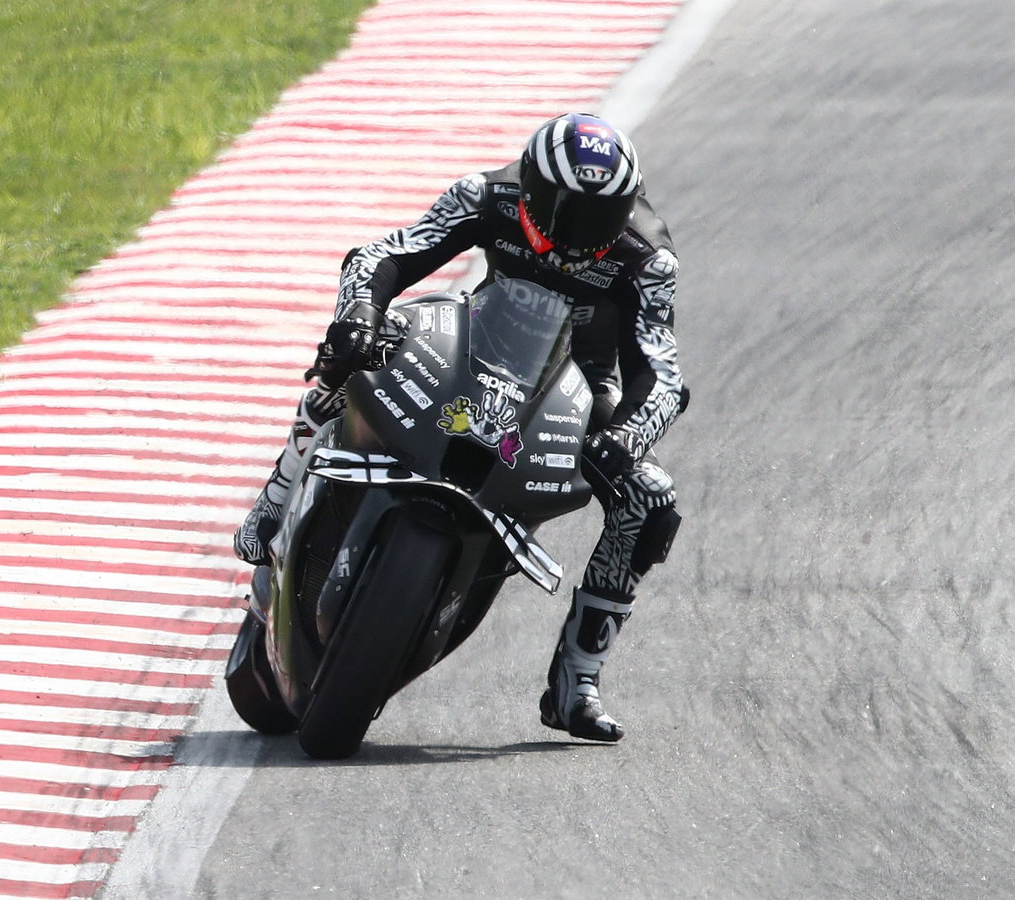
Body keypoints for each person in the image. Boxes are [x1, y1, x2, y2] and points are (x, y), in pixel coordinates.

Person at [232, 112, 687, 743]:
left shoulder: (648, 259)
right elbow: (382, 256)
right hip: (475, 338)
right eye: (564, 210)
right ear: (531, 185)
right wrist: (359, 314)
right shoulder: (486, 195)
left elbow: (661, 374)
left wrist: (626, 438)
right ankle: (275, 500)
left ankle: (577, 676)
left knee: (649, 499)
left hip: (580, 386)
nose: (579, 234)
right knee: (354, 354)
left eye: (598, 218)